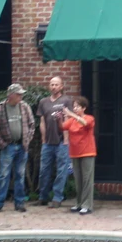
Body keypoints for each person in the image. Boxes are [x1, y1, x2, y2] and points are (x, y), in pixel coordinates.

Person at [0, 83, 36, 213]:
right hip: (8, 146)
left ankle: (19, 203)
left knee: (20, 175)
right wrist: (2, 144)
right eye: (18, 94)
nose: (21, 96)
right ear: (11, 95)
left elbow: (32, 124)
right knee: (3, 175)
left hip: (22, 146)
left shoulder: (25, 107)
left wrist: (27, 139)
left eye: (21, 94)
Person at [36, 76, 74, 208]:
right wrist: (43, 138)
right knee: (44, 171)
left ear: (62, 86)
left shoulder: (66, 100)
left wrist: (67, 139)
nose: (53, 87)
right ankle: (43, 196)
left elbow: (67, 118)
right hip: (47, 143)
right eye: (52, 84)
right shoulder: (43, 102)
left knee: (61, 170)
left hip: (61, 142)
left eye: (56, 84)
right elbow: (42, 121)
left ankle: (57, 197)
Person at [61, 96, 96, 215]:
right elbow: (62, 127)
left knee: (87, 179)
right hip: (74, 153)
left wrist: (71, 114)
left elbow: (85, 123)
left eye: (77, 107)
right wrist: (59, 117)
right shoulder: (72, 120)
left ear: (84, 108)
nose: (75, 108)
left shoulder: (89, 118)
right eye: (74, 106)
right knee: (78, 180)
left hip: (87, 152)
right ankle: (79, 203)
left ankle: (87, 205)